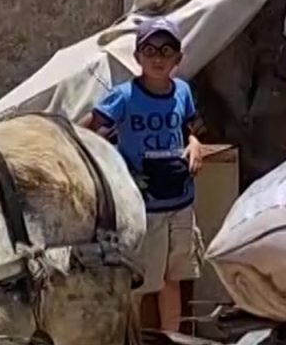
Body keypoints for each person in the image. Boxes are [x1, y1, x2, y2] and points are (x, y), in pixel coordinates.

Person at [85, 17, 204, 334]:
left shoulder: (182, 91)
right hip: (145, 207)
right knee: (140, 282)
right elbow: (91, 129)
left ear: (178, 58)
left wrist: (194, 144)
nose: (157, 58)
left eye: (166, 50)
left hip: (180, 201)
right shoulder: (124, 96)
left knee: (172, 279)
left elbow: (190, 128)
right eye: (149, 50)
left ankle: (171, 338)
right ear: (137, 56)